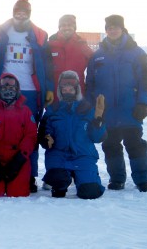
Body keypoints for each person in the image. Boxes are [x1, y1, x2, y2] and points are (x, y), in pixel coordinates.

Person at [0, 0, 54, 192]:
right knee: (0, 131)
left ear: (29, 14)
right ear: (13, 12)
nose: (21, 14)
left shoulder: (39, 36)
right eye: (18, 11)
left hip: (30, 90)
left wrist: (49, 87)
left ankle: (30, 175)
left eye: (25, 11)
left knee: (29, 134)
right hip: (3, 88)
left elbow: (48, 65)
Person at [85, 15, 147, 192]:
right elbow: (90, 84)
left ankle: (143, 180)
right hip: (107, 113)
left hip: (130, 110)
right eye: (109, 28)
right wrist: (93, 108)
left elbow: (146, 80)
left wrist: (143, 103)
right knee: (111, 147)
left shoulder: (137, 53)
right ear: (106, 30)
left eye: (116, 27)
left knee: (135, 146)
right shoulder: (97, 56)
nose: (112, 30)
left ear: (122, 29)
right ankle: (117, 179)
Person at [41, 70, 107, 199]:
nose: (67, 92)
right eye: (64, 89)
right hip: (59, 155)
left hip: (83, 155)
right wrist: (47, 139)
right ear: (60, 91)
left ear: (77, 90)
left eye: (71, 89)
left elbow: (97, 138)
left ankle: (81, 177)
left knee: (90, 192)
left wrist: (98, 119)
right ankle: (63, 179)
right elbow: (45, 131)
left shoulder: (87, 109)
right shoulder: (53, 109)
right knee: (58, 185)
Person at [0, 73, 38, 198]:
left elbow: (30, 136)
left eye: (11, 88)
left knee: (18, 193)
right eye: (4, 88)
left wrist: (19, 161)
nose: (8, 91)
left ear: (17, 90)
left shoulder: (26, 111)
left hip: (18, 158)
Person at [47, 14, 93, 98]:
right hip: (55, 94)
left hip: (77, 94)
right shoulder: (50, 45)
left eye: (69, 25)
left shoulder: (82, 44)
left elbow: (94, 65)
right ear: (59, 27)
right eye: (63, 25)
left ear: (74, 27)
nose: (66, 28)